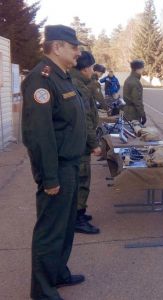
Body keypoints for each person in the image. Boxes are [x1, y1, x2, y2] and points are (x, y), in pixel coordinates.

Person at [21, 25, 87, 300]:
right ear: (57, 47)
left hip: (70, 164)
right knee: (50, 232)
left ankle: (58, 273)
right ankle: (43, 292)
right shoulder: (42, 79)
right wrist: (49, 178)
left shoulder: (63, 77)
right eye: (74, 47)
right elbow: (40, 135)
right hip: (56, 168)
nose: (78, 52)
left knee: (65, 224)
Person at [70, 51, 102, 235]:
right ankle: (77, 217)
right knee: (81, 179)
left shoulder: (78, 83)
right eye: (91, 67)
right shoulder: (78, 86)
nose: (92, 71)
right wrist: (94, 143)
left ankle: (78, 213)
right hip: (80, 142)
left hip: (78, 140)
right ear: (84, 69)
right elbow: (85, 119)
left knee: (80, 178)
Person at [123, 60, 146, 124]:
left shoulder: (128, 79)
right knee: (134, 131)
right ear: (137, 69)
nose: (142, 70)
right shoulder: (135, 82)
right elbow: (137, 100)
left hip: (127, 110)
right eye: (142, 68)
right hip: (133, 113)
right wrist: (142, 114)